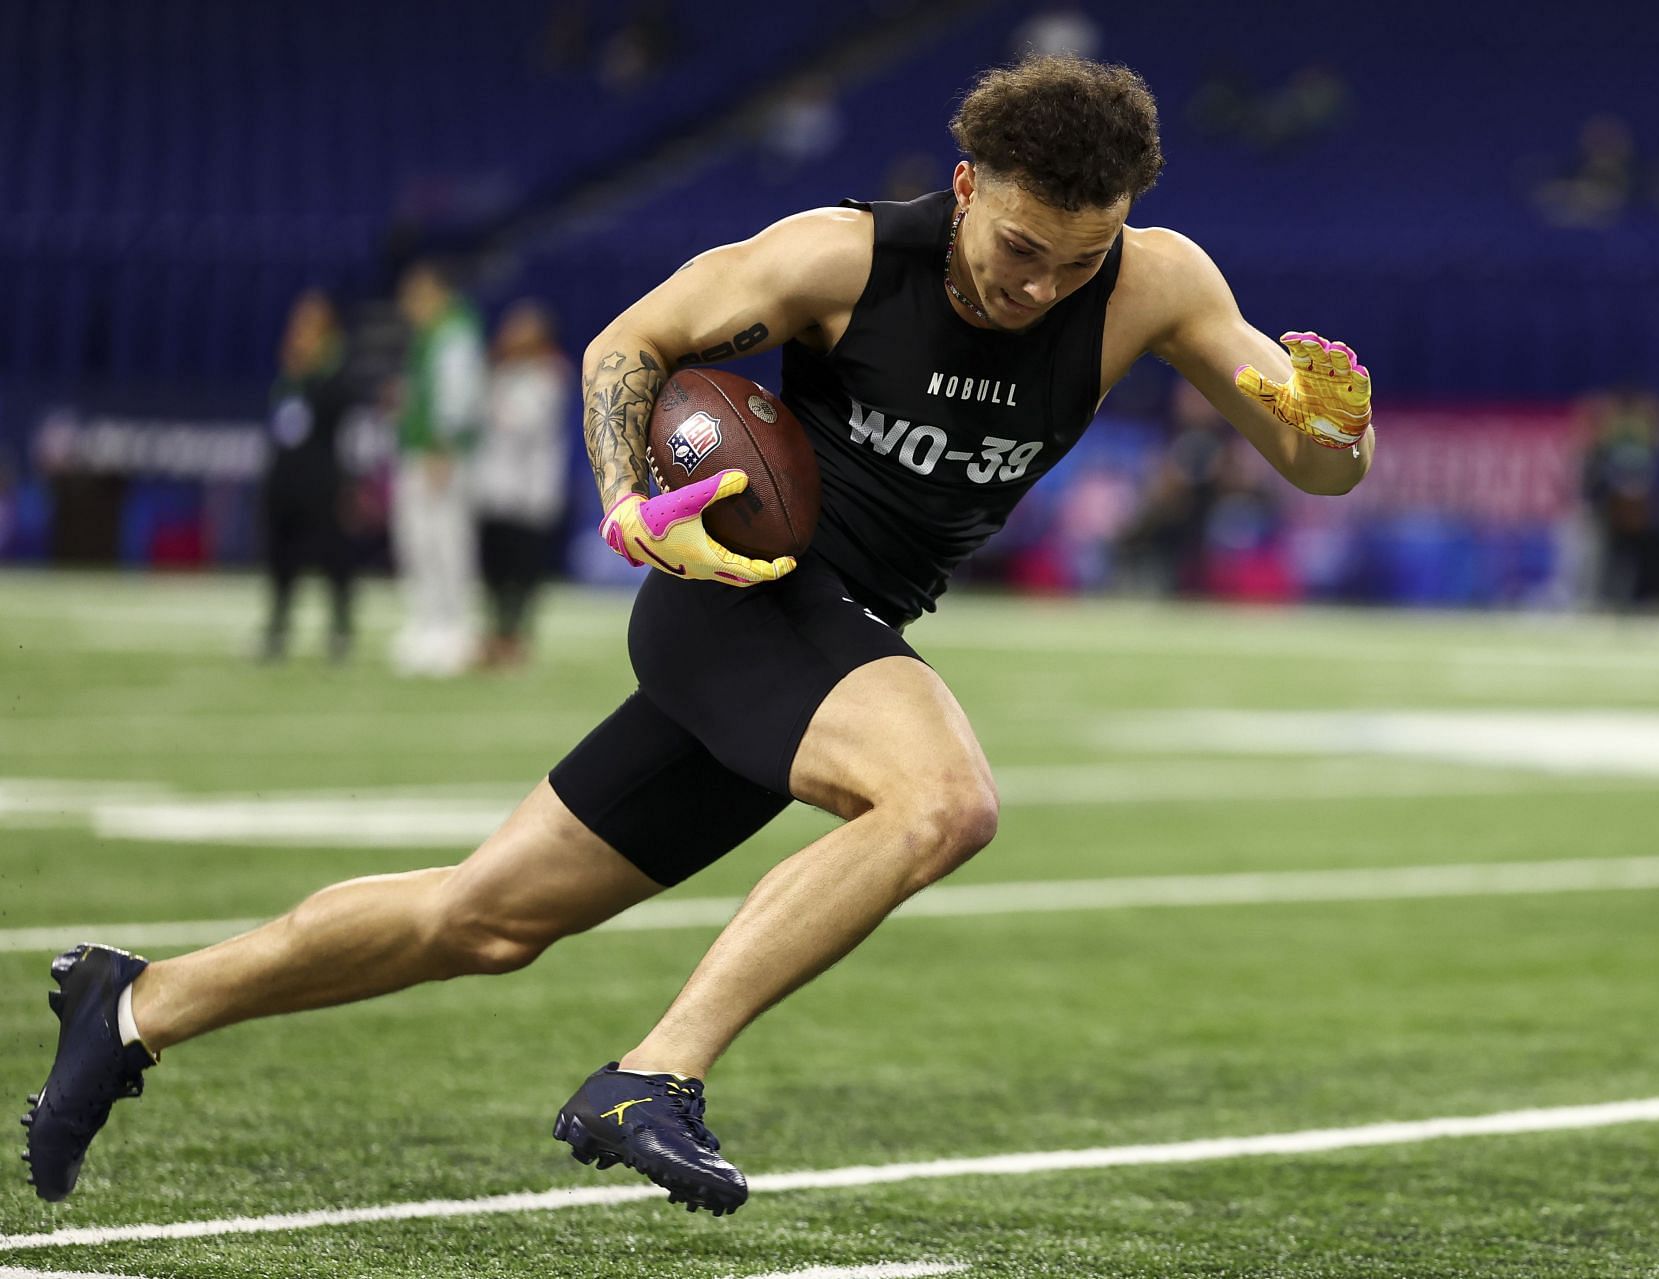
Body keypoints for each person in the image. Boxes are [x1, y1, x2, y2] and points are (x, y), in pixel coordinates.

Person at [23, 55, 1373, 1217]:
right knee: (942, 798)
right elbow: (630, 345)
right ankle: (653, 1073)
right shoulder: (840, 256)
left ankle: (137, 1003)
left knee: (482, 916)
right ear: (968, 187)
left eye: (1078, 259)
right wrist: (627, 499)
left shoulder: (1156, 282)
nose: (1041, 287)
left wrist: (1335, 431)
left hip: (825, 647)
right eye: (1021, 249)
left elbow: (1311, 463)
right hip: (738, 589)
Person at [388, 261, 486, 676]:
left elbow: (458, 394)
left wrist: (442, 446)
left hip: (437, 453)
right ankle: (428, 622)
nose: (407, 305)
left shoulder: (453, 332)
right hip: (422, 449)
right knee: (419, 541)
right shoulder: (433, 335)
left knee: (444, 541)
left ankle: (455, 629)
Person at [259, 290, 358, 662]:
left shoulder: (335, 375)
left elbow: (341, 413)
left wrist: (314, 369)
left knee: (333, 559)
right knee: (280, 559)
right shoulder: (289, 377)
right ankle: (278, 626)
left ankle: (340, 630)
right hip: (285, 478)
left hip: (323, 480)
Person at [473, 300, 571, 667]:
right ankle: (495, 633)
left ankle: (517, 638)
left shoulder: (550, 375)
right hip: (494, 488)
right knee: (494, 568)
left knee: (523, 571)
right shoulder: (501, 373)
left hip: (530, 493)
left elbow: (519, 423)